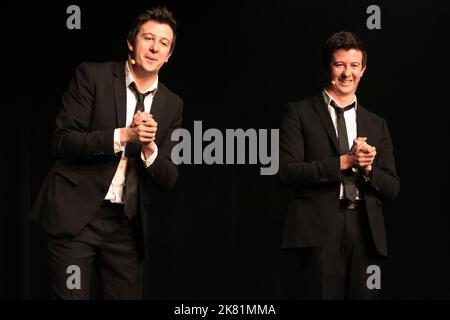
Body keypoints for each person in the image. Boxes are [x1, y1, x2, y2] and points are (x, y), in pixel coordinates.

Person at [31, 6, 183, 299]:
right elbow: (63, 140)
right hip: (76, 216)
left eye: (163, 43)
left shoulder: (172, 104)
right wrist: (124, 135)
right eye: (147, 38)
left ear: (169, 55)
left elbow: (169, 177)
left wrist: (149, 147)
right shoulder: (93, 76)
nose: (154, 48)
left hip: (125, 226)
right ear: (131, 42)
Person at [279, 31, 399, 299]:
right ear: (328, 67)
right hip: (320, 229)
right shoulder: (298, 112)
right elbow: (287, 171)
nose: (347, 73)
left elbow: (392, 187)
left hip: (365, 230)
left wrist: (368, 169)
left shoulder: (376, 123)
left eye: (354, 66)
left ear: (363, 70)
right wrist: (344, 162)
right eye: (340, 64)